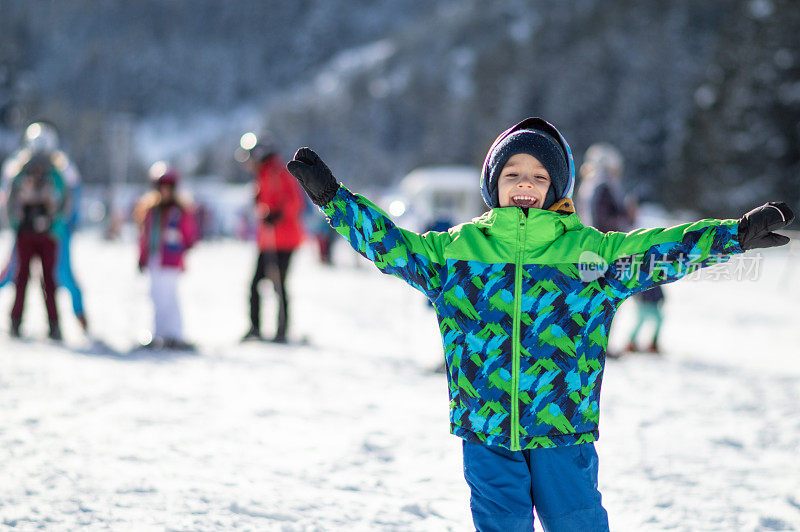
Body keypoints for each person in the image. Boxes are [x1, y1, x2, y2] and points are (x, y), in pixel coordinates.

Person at [285, 117, 794, 532]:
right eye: (512, 174)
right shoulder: (457, 251)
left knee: (576, 523)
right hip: (485, 428)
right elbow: (391, 245)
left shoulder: (591, 254)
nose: (525, 184)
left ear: (555, 188)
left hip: (563, 427)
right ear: (493, 184)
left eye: (538, 176)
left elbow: (661, 249)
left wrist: (735, 236)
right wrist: (334, 199)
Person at [0, 122, 89, 331]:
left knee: (54, 276)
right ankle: (32, 321)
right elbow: (10, 201)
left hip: (51, 233)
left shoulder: (61, 169)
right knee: (19, 275)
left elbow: (69, 201)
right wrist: (18, 225)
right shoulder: (19, 168)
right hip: (33, 233)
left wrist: (58, 225)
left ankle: (72, 317)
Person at [241, 138, 305, 343]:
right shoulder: (261, 176)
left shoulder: (279, 172)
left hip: (284, 240)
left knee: (279, 284)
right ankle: (255, 328)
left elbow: (294, 202)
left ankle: (282, 330)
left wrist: (278, 214)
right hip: (267, 239)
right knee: (255, 284)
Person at [6, 152, 71, 340]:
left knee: (47, 280)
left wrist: (52, 224)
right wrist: (18, 224)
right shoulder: (20, 172)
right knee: (22, 278)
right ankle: (16, 321)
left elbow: (63, 204)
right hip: (28, 235)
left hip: (45, 235)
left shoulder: (56, 174)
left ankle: (53, 324)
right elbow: (11, 204)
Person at [134, 162, 197, 350]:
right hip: (155, 259)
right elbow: (145, 237)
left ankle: (174, 333)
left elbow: (190, 236)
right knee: (155, 296)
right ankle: (158, 333)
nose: (165, 191)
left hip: (171, 260)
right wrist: (142, 257)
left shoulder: (180, 211)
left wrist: (181, 243)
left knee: (170, 297)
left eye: (169, 187)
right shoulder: (150, 211)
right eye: (162, 187)